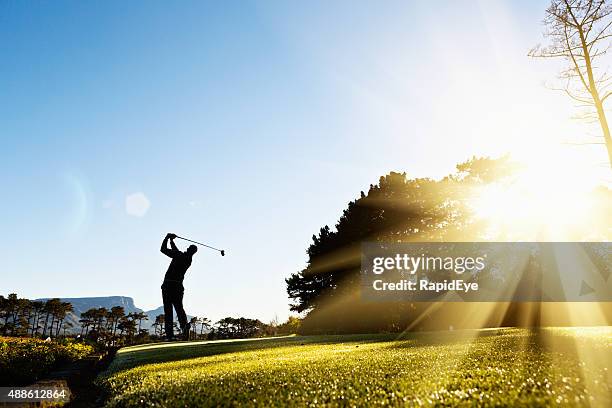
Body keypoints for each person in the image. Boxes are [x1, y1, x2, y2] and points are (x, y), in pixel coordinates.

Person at [160, 233, 197, 341]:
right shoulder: (187, 259)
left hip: (168, 285)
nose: (186, 248)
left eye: (188, 248)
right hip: (178, 287)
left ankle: (170, 335)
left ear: (189, 250)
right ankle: (185, 328)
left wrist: (167, 238)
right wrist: (172, 241)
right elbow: (176, 251)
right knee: (179, 308)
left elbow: (163, 249)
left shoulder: (179, 255)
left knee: (168, 310)